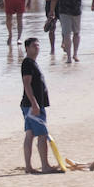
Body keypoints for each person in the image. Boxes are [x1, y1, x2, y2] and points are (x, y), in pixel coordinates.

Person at [20, 38, 57, 173]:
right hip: (32, 105)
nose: (37, 48)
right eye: (34, 46)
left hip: (32, 105)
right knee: (42, 134)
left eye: (38, 46)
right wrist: (34, 103)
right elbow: (26, 84)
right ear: (27, 48)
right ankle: (45, 165)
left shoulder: (32, 63)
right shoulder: (28, 63)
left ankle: (29, 167)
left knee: (30, 134)